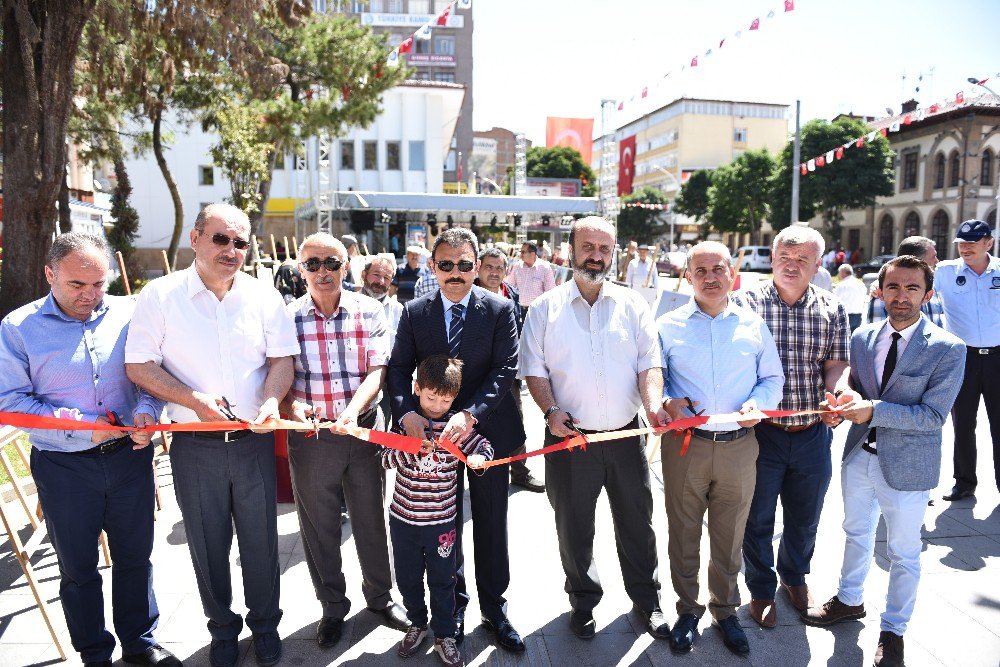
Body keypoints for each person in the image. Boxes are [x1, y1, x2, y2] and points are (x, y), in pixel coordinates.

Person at [124, 203, 300, 667]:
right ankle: (222, 630)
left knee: (262, 542)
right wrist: (193, 399)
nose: (231, 250)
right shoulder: (159, 297)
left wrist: (269, 399)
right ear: (196, 239)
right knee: (206, 542)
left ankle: (265, 626)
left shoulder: (264, 297)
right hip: (194, 446)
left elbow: (282, 360)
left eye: (240, 242)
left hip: (254, 444)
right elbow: (138, 364)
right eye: (221, 239)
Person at [0, 233, 180, 667]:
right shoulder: (18, 328)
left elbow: (151, 374)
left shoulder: (129, 312)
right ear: (50, 275)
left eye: (99, 284)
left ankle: (140, 642)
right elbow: (10, 403)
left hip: (129, 458)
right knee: (78, 570)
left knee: (135, 557)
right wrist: (84, 429)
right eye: (77, 285)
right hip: (64, 468)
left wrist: (147, 411)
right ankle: (94, 652)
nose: (90, 296)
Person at [803, 256, 965, 667]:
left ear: (929, 295)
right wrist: (838, 404)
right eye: (893, 287)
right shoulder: (862, 337)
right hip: (859, 456)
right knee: (855, 532)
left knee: (904, 553)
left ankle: (893, 631)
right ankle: (850, 600)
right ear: (879, 290)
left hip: (909, 467)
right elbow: (853, 386)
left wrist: (872, 410)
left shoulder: (949, 349)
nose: (902, 297)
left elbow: (932, 417)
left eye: (913, 289)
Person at [520, 216, 671, 641]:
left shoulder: (634, 305)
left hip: (626, 437)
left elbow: (649, 365)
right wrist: (550, 411)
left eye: (605, 249)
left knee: (638, 525)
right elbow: (535, 371)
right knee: (574, 527)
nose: (597, 256)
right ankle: (583, 602)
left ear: (614, 253)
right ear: (571, 251)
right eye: (588, 247)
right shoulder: (544, 309)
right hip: (570, 442)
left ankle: (648, 602)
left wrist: (654, 405)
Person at [387, 228, 527, 652]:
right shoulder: (414, 312)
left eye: (465, 264)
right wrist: (406, 413)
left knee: (490, 524)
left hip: (485, 434)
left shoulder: (501, 309)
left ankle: (494, 609)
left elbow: (505, 371)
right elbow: (396, 370)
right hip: (430, 441)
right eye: (446, 264)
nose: (456, 273)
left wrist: (469, 415)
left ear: (477, 266)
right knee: (444, 527)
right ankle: (455, 607)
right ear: (433, 267)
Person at [279, 233, 408, 649]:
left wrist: (354, 410)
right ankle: (332, 606)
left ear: (346, 265)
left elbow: (378, 369)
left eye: (331, 262)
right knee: (320, 528)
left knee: (371, 519)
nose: (323, 272)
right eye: (312, 264)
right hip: (312, 438)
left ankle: (380, 598)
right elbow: (276, 373)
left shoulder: (369, 310)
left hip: (362, 431)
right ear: (301, 270)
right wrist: (290, 404)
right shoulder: (285, 317)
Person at [658, 241, 784, 656]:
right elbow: (656, 379)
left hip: (739, 446)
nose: (710, 278)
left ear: (732, 274)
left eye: (718, 269)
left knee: (731, 535)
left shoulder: (752, 324)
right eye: (701, 270)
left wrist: (758, 404)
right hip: (686, 447)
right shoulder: (669, 324)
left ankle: (726, 610)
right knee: (683, 531)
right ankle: (688, 610)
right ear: (688, 277)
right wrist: (666, 401)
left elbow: (772, 378)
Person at [733, 225, 850, 628]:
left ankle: (795, 578)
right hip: (759, 434)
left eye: (803, 260)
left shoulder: (831, 308)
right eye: (785, 256)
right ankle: (762, 589)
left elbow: (836, 363)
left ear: (819, 264)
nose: (792, 265)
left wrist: (838, 393)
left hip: (812, 433)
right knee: (757, 517)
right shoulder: (743, 303)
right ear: (772, 256)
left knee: (806, 515)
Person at [383, 355, 495, 667]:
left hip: (441, 525)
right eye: (431, 397)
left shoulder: (455, 428)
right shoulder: (408, 424)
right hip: (403, 520)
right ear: (417, 389)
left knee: (444, 581)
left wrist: (479, 460)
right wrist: (408, 451)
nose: (437, 406)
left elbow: (484, 447)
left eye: (445, 400)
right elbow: (385, 458)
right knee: (406, 578)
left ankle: (444, 634)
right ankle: (417, 623)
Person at [933, 219, 1000, 501]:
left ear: (989, 243)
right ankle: (964, 481)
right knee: (962, 423)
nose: (965, 248)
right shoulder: (945, 272)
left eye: (972, 242)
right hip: (963, 359)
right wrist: (880, 287)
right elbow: (913, 284)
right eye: (961, 243)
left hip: (998, 357)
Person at [474, 248, 545, 493]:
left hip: (508, 374)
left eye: (499, 268)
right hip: (476, 374)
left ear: (506, 271)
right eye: (489, 267)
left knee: (515, 423)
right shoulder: (467, 293)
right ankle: (479, 473)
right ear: (478, 267)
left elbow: (518, 330)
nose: (494, 273)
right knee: (476, 425)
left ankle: (520, 473)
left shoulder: (511, 293)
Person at [362, 255, 405, 430]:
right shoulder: (348, 304)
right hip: (352, 380)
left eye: (386, 277)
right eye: (376, 274)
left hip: (386, 383)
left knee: (380, 434)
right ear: (363, 274)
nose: (380, 281)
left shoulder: (400, 311)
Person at [863, 237, 945, 327]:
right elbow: (875, 336)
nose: (936, 261)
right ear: (917, 261)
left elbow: (938, 325)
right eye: (933, 256)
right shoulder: (882, 293)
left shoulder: (932, 289)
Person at [506, 242, 556, 321]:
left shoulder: (545, 268)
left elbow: (550, 293)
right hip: (518, 311)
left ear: (532, 254)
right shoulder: (517, 266)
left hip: (537, 313)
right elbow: (509, 286)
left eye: (523, 252)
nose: (520, 254)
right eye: (520, 252)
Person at [833, 264, 867, 331]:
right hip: (858, 316)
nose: (838, 275)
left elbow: (834, 301)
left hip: (844, 315)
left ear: (843, 272)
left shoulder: (841, 285)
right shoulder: (861, 284)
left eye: (839, 273)